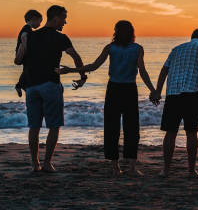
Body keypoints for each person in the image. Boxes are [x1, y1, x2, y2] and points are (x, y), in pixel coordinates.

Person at [58, 20, 158, 176]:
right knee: (132, 128)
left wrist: (71, 70)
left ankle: (115, 166)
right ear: (132, 32)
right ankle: (131, 167)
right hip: (129, 90)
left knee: (112, 127)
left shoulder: (111, 48)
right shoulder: (137, 49)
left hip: (114, 90)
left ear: (115, 32)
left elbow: (94, 66)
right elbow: (143, 72)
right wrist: (153, 90)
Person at [14, 5, 88, 173]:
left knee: (34, 126)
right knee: (54, 125)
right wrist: (82, 77)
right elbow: (75, 56)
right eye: (63, 18)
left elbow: (20, 58)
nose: (65, 22)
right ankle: (47, 163)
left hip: (31, 86)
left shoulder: (30, 36)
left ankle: (35, 164)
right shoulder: (60, 38)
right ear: (55, 18)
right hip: (50, 85)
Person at [151, 28, 198, 178]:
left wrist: (157, 91)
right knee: (191, 132)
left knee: (170, 132)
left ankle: (165, 170)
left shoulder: (176, 49)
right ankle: (191, 170)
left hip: (173, 93)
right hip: (192, 92)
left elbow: (164, 70)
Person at [14, 9, 43, 97]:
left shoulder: (28, 29)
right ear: (34, 19)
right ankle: (20, 85)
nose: (40, 24)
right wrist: (26, 48)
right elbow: (24, 37)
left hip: (25, 53)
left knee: (27, 69)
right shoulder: (27, 29)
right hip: (24, 53)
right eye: (39, 21)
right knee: (28, 69)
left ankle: (21, 85)